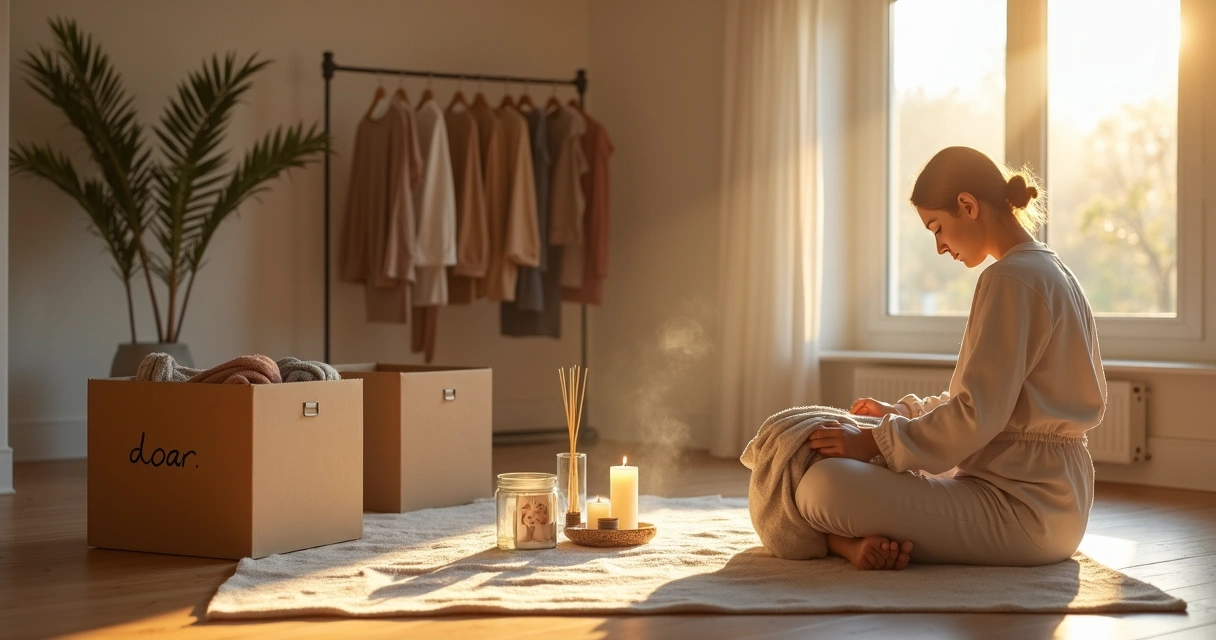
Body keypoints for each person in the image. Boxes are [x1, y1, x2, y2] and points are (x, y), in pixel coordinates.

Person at [802, 146, 1107, 570]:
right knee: (863, 470)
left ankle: (844, 539)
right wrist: (902, 412)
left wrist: (873, 439)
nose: (940, 247)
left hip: (1021, 510)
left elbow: (975, 417)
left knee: (821, 485)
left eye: (936, 228)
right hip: (1058, 504)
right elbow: (990, 407)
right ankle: (860, 540)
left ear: (967, 205)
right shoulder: (1054, 272)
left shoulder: (1010, 278)